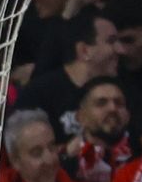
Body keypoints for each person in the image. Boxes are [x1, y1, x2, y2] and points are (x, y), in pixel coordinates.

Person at [14, 12, 119, 140]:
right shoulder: (38, 94)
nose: (120, 50)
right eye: (111, 41)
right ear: (84, 50)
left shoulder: (120, 89)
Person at [63, 76, 132, 182]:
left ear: (127, 115)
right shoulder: (64, 162)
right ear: (81, 117)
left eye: (119, 103)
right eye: (101, 103)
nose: (112, 108)